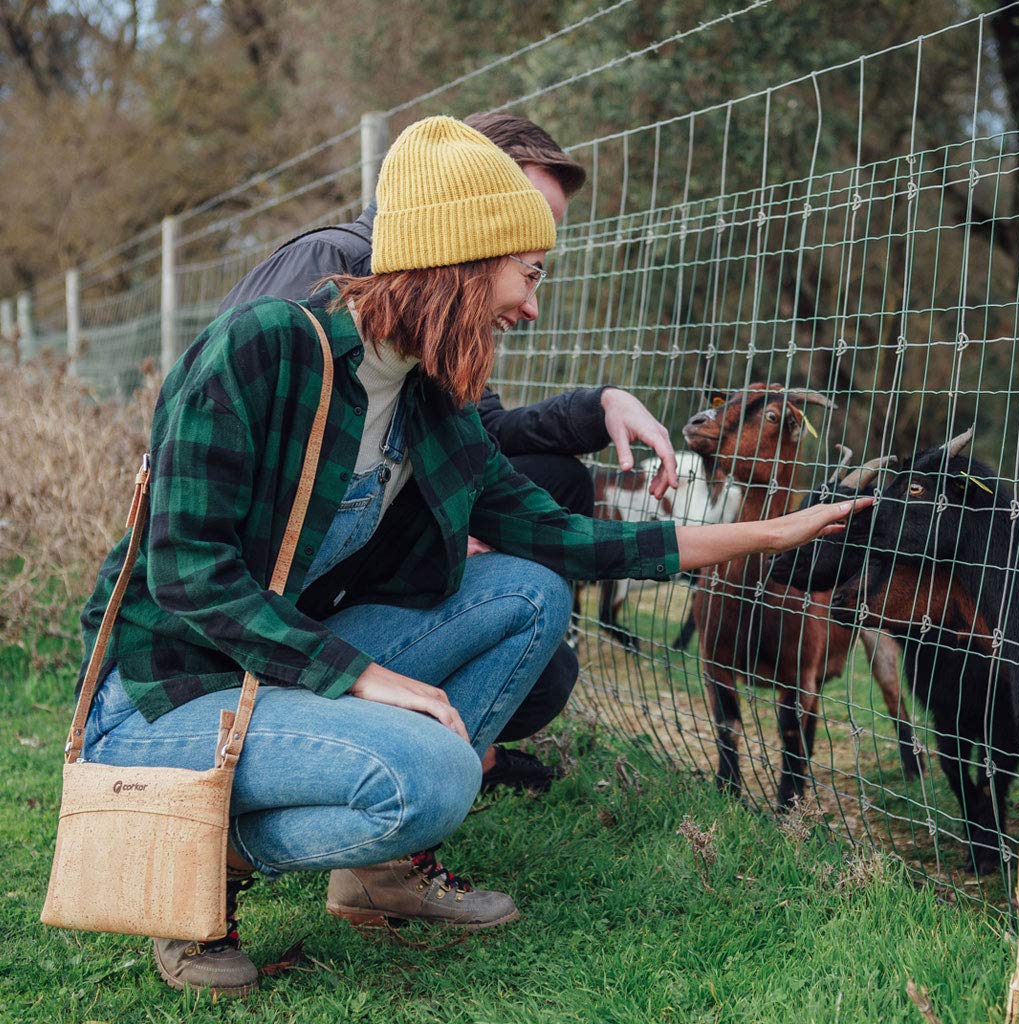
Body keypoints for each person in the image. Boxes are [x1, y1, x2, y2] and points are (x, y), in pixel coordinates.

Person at [77, 116, 869, 999]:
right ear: (462, 261)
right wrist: (361, 676)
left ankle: (377, 875)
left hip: (277, 673)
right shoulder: (265, 347)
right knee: (435, 774)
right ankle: (190, 859)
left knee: (530, 591)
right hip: (167, 692)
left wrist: (771, 533)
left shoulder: (427, 399)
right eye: (527, 275)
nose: (532, 307)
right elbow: (187, 572)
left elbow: (564, 536)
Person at [220, 113, 680, 794]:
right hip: (259, 602)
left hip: (343, 560)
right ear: (467, 199)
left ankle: (427, 777)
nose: (529, 284)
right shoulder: (326, 278)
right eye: (522, 241)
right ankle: (359, 762)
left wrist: (601, 404)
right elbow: (218, 453)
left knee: (548, 630)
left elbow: (482, 437)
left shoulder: (437, 314)